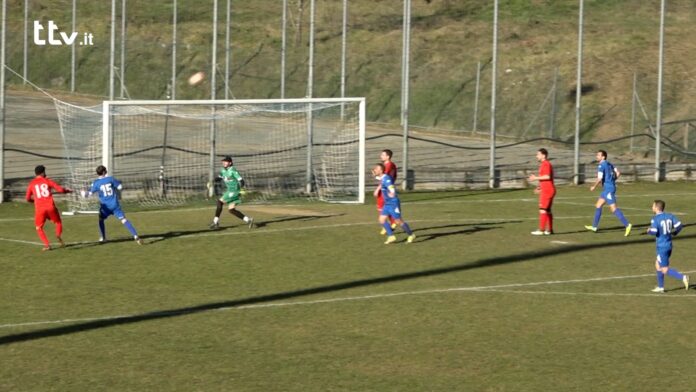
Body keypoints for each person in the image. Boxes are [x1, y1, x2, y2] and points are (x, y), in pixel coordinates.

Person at [82, 165, 142, 244]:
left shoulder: (96, 183)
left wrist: (84, 193)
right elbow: (120, 187)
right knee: (123, 220)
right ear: (103, 172)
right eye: (105, 170)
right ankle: (135, 235)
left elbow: (89, 194)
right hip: (114, 205)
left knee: (101, 219)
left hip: (105, 207)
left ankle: (103, 237)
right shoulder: (111, 179)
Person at [584, 150, 632, 236]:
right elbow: (618, 173)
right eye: (597, 155)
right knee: (598, 205)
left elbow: (599, 178)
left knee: (613, 208)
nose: (597, 156)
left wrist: (593, 186)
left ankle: (627, 225)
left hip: (608, 190)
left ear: (603, 157)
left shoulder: (601, 165)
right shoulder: (610, 164)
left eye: (598, 155)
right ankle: (594, 227)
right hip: (608, 189)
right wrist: (612, 180)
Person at [25, 165, 72, 251]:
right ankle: (58, 234)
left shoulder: (31, 183)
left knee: (38, 228)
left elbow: (27, 198)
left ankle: (47, 245)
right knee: (58, 222)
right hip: (50, 207)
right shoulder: (47, 181)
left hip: (39, 209)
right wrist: (67, 191)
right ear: (43, 173)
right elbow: (60, 190)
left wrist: (34, 201)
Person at [647, 200, 688, 293]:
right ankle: (661, 287)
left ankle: (683, 277)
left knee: (664, 269)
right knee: (657, 264)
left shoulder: (655, 219)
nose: (652, 207)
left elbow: (654, 232)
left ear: (657, 208)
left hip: (662, 247)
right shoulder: (670, 216)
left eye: (653, 206)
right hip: (669, 245)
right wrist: (675, 233)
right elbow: (680, 226)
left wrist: (648, 230)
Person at [372, 163, 415, 244]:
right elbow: (379, 179)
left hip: (393, 203)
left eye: (376, 169)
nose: (374, 170)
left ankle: (411, 234)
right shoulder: (382, 177)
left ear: (381, 170)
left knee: (398, 221)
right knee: (381, 220)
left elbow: (391, 186)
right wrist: (375, 176)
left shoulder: (386, 179)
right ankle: (391, 236)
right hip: (387, 203)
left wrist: (392, 192)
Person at [209, 156, 254, 230]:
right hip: (230, 191)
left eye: (226, 161)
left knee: (219, 202)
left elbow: (241, 181)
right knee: (231, 210)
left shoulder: (233, 171)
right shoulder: (223, 170)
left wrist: (241, 189)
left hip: (234, 191)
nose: (224, 162)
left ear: (230, 163)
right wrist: (212, 181)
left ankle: (215, 222)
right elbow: (220, 178)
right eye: (223, 161)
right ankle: (248, 220)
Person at [527, 148, 555, 235]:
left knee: (542, 210)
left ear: (543, 155)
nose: (536, 156)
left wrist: (535, 178)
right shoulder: (544, 164)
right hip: (548, 189)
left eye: (538, 154)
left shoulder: (546, 164)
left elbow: (547, 176)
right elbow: (544, 179)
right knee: (547, 210)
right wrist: (539, 187)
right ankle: (549, 230)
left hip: (547, 190)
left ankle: (541, 230)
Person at [375, 149, 398, 235]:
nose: (381, 156)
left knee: (385, 208)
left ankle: (392, 223)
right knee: (382, 208)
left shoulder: (389, 165)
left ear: (388, 157)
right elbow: (382, 177)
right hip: (384, 188)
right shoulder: (385, 165)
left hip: (386, 190)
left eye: (383, 155)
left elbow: (385, 178)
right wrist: (376, 176)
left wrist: (377, 189)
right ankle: (387, 225)